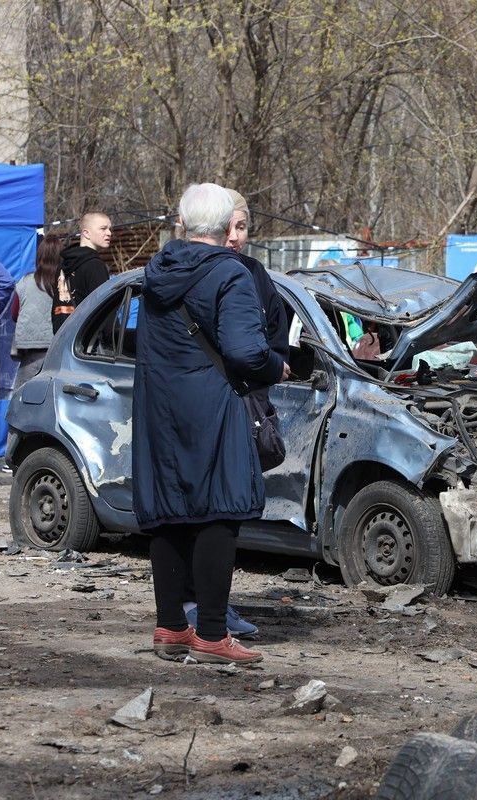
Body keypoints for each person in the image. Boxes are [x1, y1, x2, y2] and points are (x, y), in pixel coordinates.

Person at [135, 183, 288, 664]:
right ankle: (212, 634)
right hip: (214, 405)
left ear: (182, 225)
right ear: (225, 228)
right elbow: (245, 351)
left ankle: (170, 627)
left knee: (169, 511)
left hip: (160, 405)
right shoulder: (230, 273)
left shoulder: (156, 271)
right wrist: (276, 367)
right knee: (219, 511)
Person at [175, 188, 291, 639]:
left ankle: (211, 608)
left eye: (242, 227)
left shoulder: (255, 275)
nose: (235, 236)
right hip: (197, 405)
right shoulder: (186, 272)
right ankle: (194, 610)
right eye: (230, 226)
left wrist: (270, 366)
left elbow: (274, 340)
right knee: (196, 510)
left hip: (242, 405)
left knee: (225, 512)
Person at [5, 236, 62, 460]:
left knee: (21, 402)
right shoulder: (63, 282)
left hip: (30, 352)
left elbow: (14, 314)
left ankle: (13, 455)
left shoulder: (26, 282)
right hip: (58, 350)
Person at [53, 212, 113, 332]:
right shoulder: (95, 266)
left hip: (63, 336)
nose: (109, 233)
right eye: (103, 228)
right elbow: (103, 309)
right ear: (86, 233)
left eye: (110, 229)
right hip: (86, 338)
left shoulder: (63, 265)